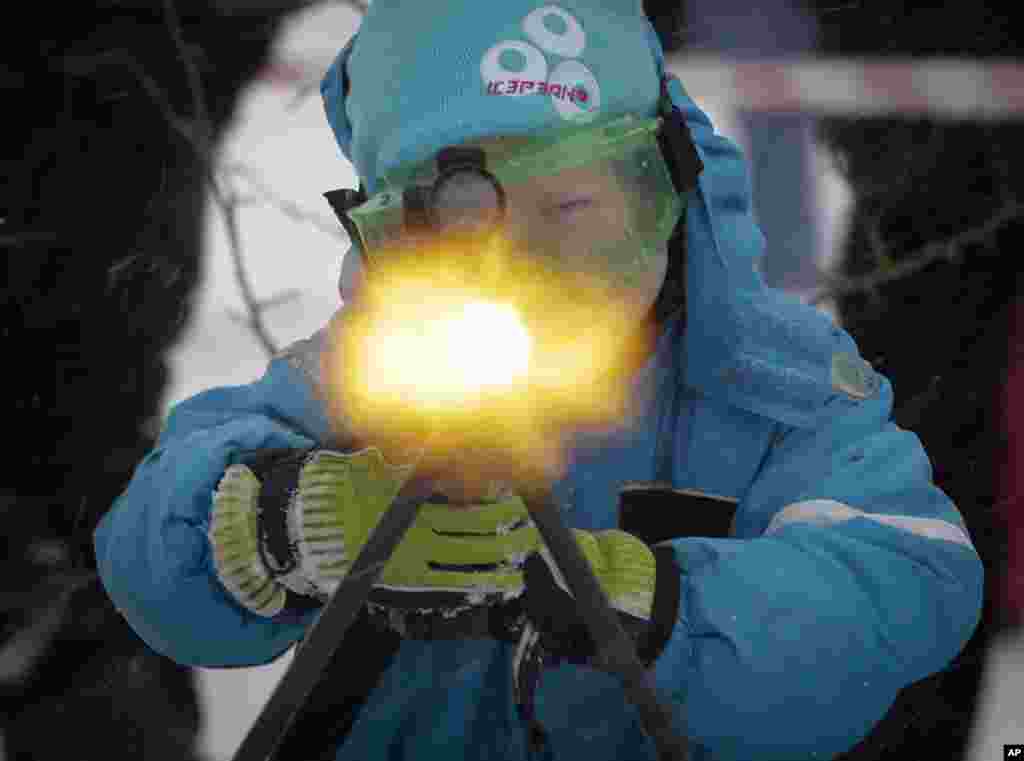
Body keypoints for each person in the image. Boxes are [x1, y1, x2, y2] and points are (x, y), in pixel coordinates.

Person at [93, 2, 984, 760]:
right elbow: (151, 549)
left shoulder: (767, 382)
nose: (540, 268)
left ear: (670, 190)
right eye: (469, 227)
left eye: (575, 210)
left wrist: (664, 600)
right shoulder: (367, 369)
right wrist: (297, 523)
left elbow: (906, 577)